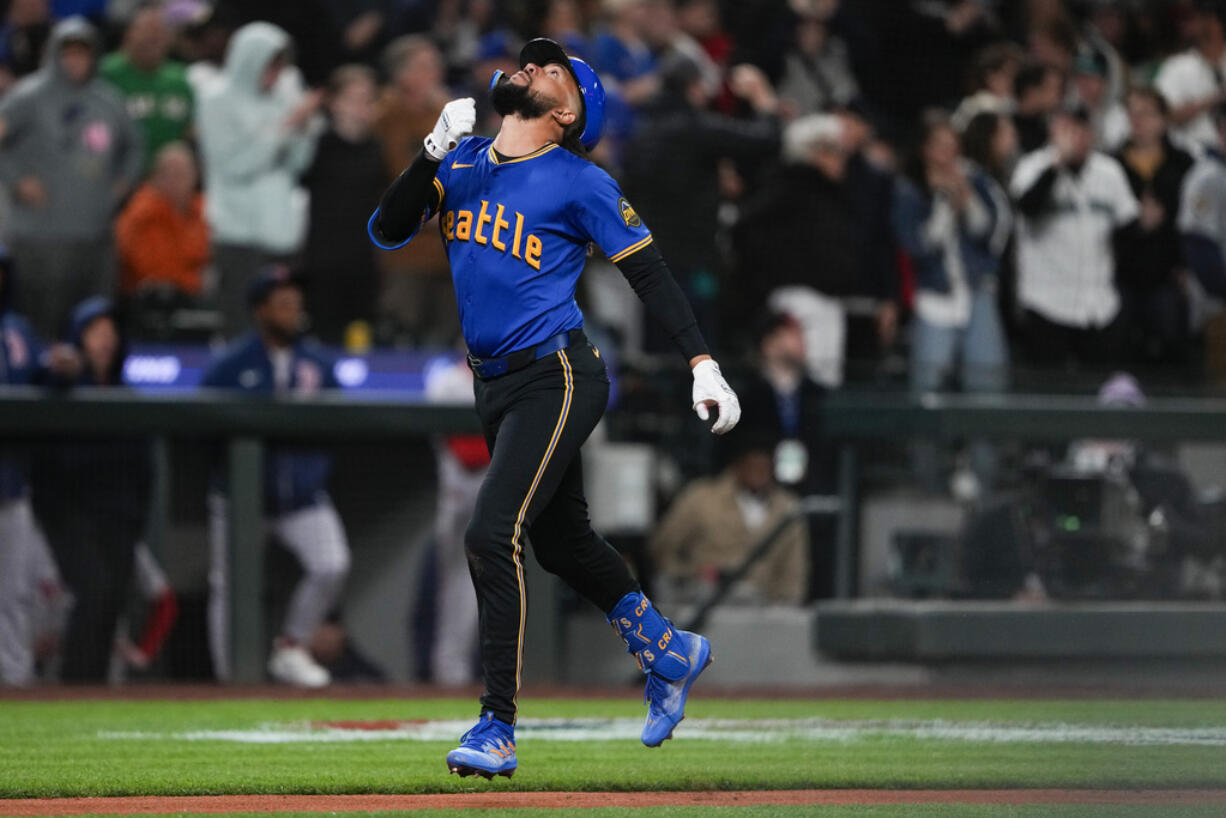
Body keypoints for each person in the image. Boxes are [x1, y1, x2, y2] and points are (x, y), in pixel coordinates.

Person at [369, 37, 740, 777]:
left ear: (568, 110)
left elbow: (651, 274)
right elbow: (387, 229)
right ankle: (669, 651)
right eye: (531, 61)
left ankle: (496, 726)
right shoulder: (466, 160)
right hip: (493, 382)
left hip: (558, 372)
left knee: (490, 531)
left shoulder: (579, 179)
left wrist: (703, 362)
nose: (531, 67)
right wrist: (429, 153)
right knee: (562, 542)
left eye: (551, 69)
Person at [200, 266, 351, 687]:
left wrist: (313, 471)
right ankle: (230, 679)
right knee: (228, 586)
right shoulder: (231, 364)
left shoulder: (317, 363)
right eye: (282, 304)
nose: (292, 311)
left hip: (301, 497)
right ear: (260, 311)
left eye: (296, 303)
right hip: (240, 499)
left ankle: (291, 645)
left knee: (332, 563)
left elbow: (345, 422)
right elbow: (199, 425)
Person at [30, 297, 153, 682]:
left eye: (110, 331)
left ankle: (95, 689)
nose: (105, 340)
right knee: (93, 591)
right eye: (95, 331)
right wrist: (59, 372)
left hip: (118, 516)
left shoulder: (127, 396)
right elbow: (42, 379)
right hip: (69, 514)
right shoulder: (59, 388)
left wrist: (137, 518)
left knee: (112, 601)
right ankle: (74, 687)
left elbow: (145, 468)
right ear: (78, 337)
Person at [0, 16, 144, 340]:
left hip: (95, 239)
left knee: (95, 330)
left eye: (84, 53)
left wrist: (124, 182)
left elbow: (135, 145)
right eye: (69, 53)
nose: (77, 61)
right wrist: (15, 178)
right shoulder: (30, 96)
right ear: (54, 54)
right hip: (40, 241)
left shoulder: (108, 100)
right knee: (42, 330)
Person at [893, 111, 1011, 494]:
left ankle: (985, 481)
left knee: (987, 392)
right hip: (935, 301)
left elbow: (990, 232)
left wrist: (967, 199)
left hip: (976, 296)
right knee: (927, 395)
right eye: (939, 146)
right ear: (925, 150)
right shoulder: (909, 190)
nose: (947, 154)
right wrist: (944, 205)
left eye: (952, 145)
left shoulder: (975, 178)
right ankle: (927, 484)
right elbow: (919, 247)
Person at [195, 21, 324, 338]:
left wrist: (304, 131)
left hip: (282, 233)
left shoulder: (284, 95)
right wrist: (287, 126)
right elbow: (235, 165)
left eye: (280, 67)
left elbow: (298, 163)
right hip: (239, 236)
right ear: (250, 61)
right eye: (270, 66)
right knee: (241, 324)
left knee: (283, 328)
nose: (276, 76)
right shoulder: (216, 101)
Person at [1010, 105, 1139, 369]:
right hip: (1046, 304)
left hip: (1099, 306)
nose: (1074, 138)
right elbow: (1027, 208)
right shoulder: (1032, 167)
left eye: (1080, 130)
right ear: (1052, 133)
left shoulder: (1109, 172)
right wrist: (1056, 165)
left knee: (1100, 395)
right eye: (1066, 130)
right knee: (1049, 399)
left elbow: (1129, 230)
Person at [650, 432, 808, 606]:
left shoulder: (787, 507)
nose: (758, 472)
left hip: (764, 607)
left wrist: (787, 610)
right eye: (752, 464)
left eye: (764, 465)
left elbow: (794, 570)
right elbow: (663, 547)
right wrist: (689, 574)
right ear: (737, 464)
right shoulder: (701, 498)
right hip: (706, 602)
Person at [300, 65, 385, 347]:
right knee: (325, 336)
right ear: (334, 103)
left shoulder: (376, 149)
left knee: (361, 337)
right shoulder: (316, 147)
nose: (363, 106)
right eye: (355, 98)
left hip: (363, 260)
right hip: (323, 260)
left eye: (368, 98)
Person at [1114, 88, 1196, 364]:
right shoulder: (1111, 164)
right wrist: (1138, 224)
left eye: (1146, 113)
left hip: (1167, 274)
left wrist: (1185, 265)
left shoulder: (1184, 164)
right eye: (1132, 113)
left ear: (1162, 120)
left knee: (1172, 346)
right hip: (1121, 274)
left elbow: (1193, 222)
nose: (1137, 120)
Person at [100, 3, 193, 173]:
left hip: (167, 184)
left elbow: (190, 131)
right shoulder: (106, 74)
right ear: (129, 35)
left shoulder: (180, 79)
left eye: (159, 32)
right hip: (120, 179)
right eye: (147, 31)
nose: (153, 37)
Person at [114, 142, 209, 304]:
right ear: (155, 177)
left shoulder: (203, 209)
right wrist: (199, 280)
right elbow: (156, 272)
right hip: (151, 304)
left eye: (182, 174)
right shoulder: (143, 213)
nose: (176, 181)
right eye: (170, 174)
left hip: (193, 297)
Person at [1155, 0, 1226, 154]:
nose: (1194, 25)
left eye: (1203, 18)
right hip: (1192, 155)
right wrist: (1213, 99)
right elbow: (1163, 116)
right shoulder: (1176, 67)